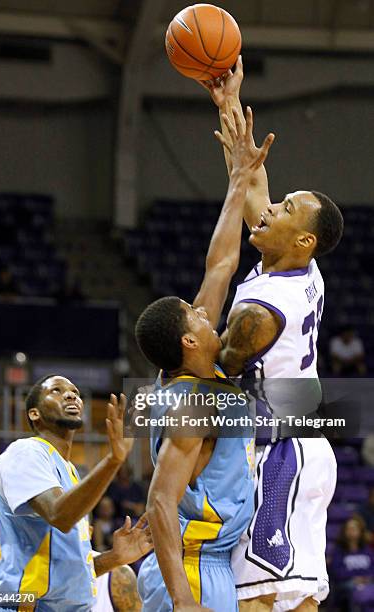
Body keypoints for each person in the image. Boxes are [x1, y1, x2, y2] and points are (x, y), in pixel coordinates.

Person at [200, 57, 344, 611]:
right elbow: (254, 185)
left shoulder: (264, 308)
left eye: (285, 210)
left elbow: (216, 371)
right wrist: (229, 102)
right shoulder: (299, 268)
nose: (270, 210)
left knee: (258, 599)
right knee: (298, 596)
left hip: (280, 452)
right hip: (306, 446)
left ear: (303, 238)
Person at [135, 109, 274, 611]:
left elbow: (220, 264)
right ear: (189, 343)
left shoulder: (192, 375)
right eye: (195, 316)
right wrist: (184, 601)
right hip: (190, 571)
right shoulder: (193, 402)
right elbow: (160, 502)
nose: (203, 312)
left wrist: (238, 180)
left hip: (210, 564)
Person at [0, 375, 152, 611]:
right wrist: (114, 460)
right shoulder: (25, 451)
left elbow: (65, 571)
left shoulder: (70, 473)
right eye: (56, 390)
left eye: (75, 391)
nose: (71, 395)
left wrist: (115, 557)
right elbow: (58, 515)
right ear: (34, 413)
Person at [328, 516, 374, 611]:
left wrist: (366, 578)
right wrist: (355, 578)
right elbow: (337, 572)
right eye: (349, 528)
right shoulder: (338, 551)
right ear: (344, 531)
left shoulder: (367, 550)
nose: (351, 531)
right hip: (347, 583)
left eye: (354, 528)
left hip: (368, 581)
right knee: (356, 591)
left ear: (360, 531)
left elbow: (372, 568)